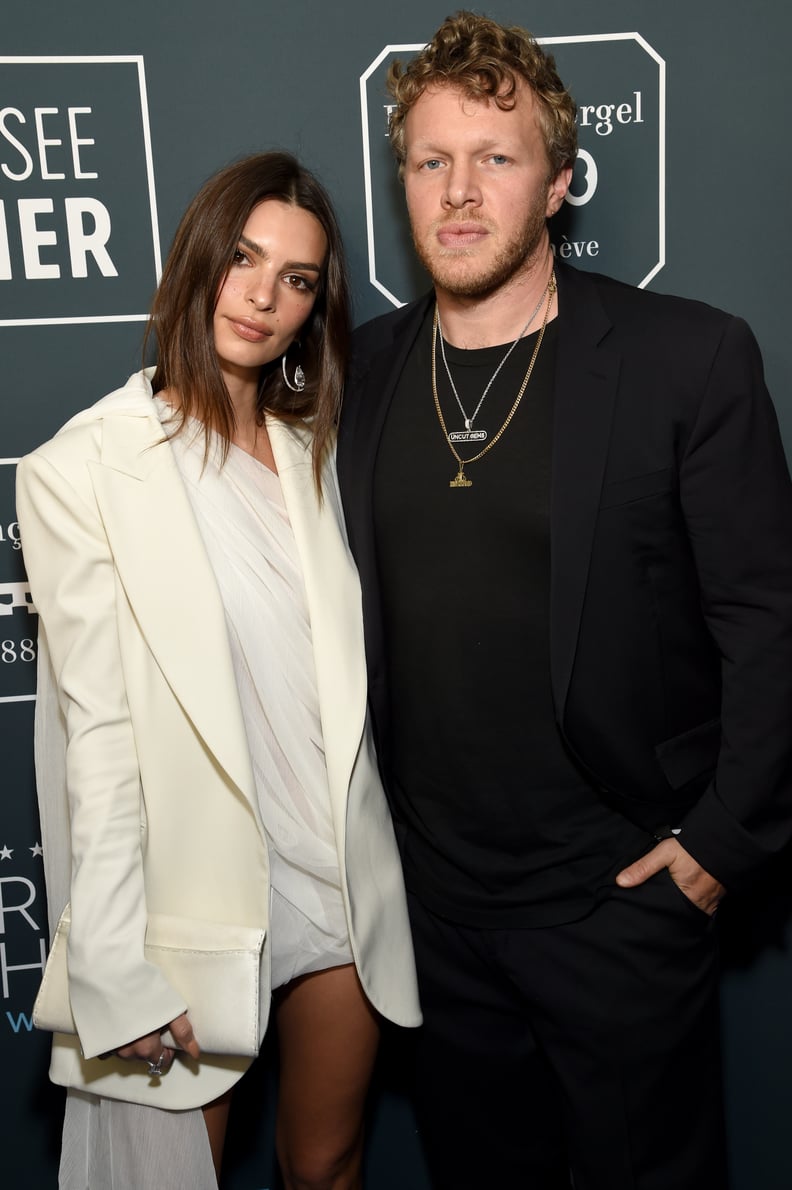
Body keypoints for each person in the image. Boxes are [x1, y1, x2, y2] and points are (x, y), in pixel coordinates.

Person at [336, 12, 792, 1190]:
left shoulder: (686, 358)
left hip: (621, 903)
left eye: (497, 157)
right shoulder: (362, 371)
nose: (460, 191)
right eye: (432, 161)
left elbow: (767, 618)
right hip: (434, 918)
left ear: (559, 182)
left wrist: (718, 846)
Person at [17, 151, 420, 1190]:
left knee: (328, 1166)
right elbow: (94, 737)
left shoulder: (311, 453)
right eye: (244, 258)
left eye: (297, 279)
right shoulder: (83, 469)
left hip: (337, 885)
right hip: (192, 907)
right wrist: (114, 967)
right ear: (198, 258)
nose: (264, 295)